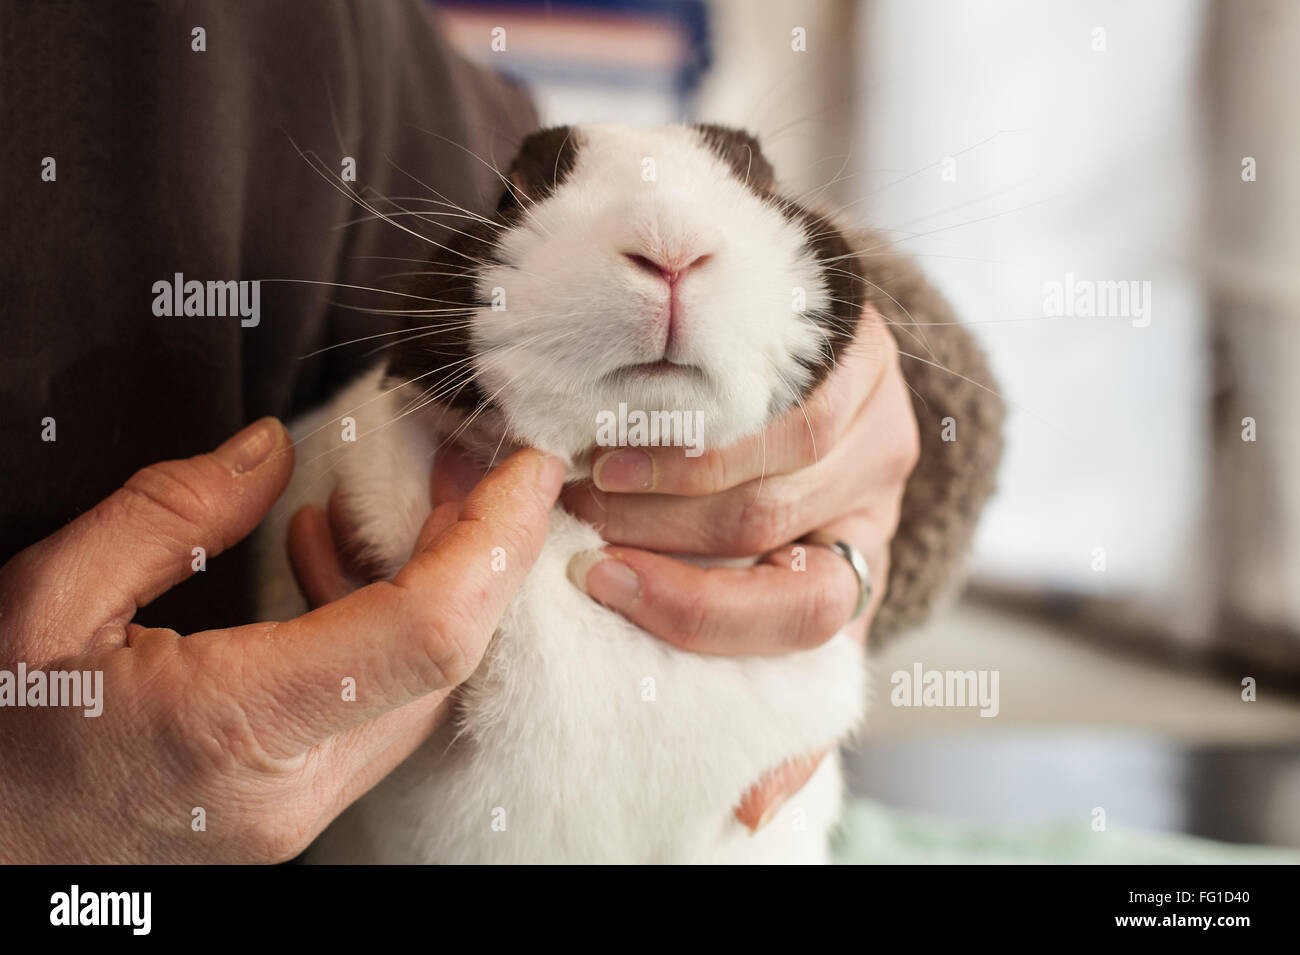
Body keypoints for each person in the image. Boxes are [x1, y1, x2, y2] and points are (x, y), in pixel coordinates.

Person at [0, 0, 997, 862]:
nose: (667, 259)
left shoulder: (324, 49)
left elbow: (518, 178)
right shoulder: (386, 437)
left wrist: (876, 400)